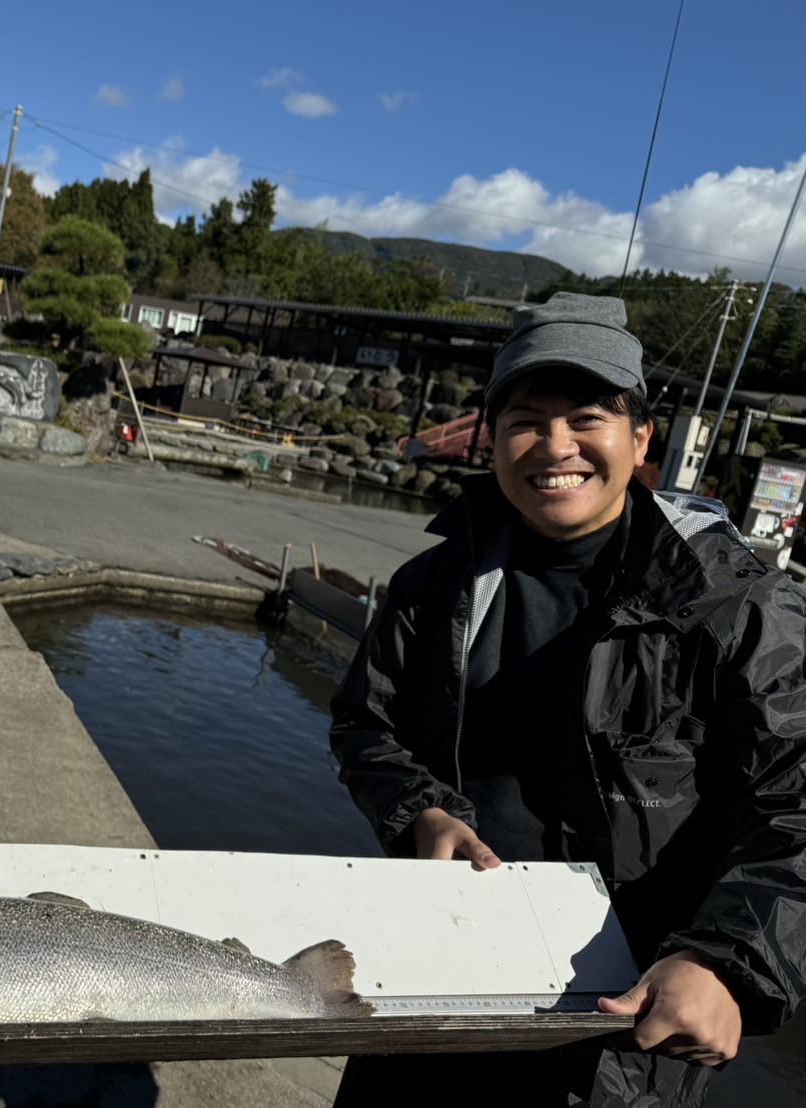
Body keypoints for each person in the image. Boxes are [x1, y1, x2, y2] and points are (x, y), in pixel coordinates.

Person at [328, 292, 806, 1106]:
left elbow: (793, 803)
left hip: (616, 1025)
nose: (555, 446)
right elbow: (364, 721)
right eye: (525, 419)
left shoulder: (736, 606)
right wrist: (418, 812)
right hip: (429, 985)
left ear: (640, 437)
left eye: (586, 417)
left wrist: (727, 962)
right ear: (491, 437)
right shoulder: (432, 584)